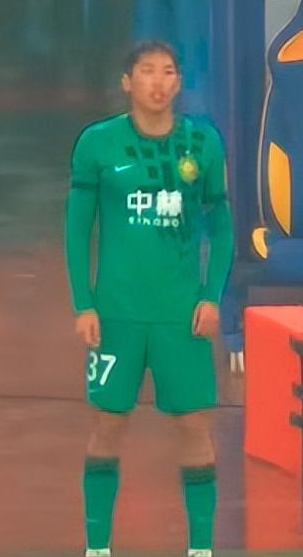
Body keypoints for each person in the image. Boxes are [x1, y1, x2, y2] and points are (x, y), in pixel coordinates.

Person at [64, 41, 234, 557]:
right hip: (116, 316)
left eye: (168, 72)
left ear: (178, 82)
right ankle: (98, 547)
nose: (158, 82)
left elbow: (222, 226)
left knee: (194, 427)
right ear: (127, 82)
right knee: (107, 425)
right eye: (147, 72)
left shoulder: (202, 143)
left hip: (180, 316)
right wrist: (83, 303)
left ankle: (200, 549)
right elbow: (77, 230)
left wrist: (211, 296)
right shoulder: (98, 144)